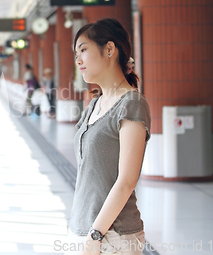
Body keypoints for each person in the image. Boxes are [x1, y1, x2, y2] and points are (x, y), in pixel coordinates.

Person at [67, 18, 151, 255]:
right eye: (76, 53)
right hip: (83, 229)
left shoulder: (132, 104)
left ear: (110, 49)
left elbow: (126, 181)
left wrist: (95, 236)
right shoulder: (94, 105)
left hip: (112, 236)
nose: (78, 60)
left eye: (83, 49)